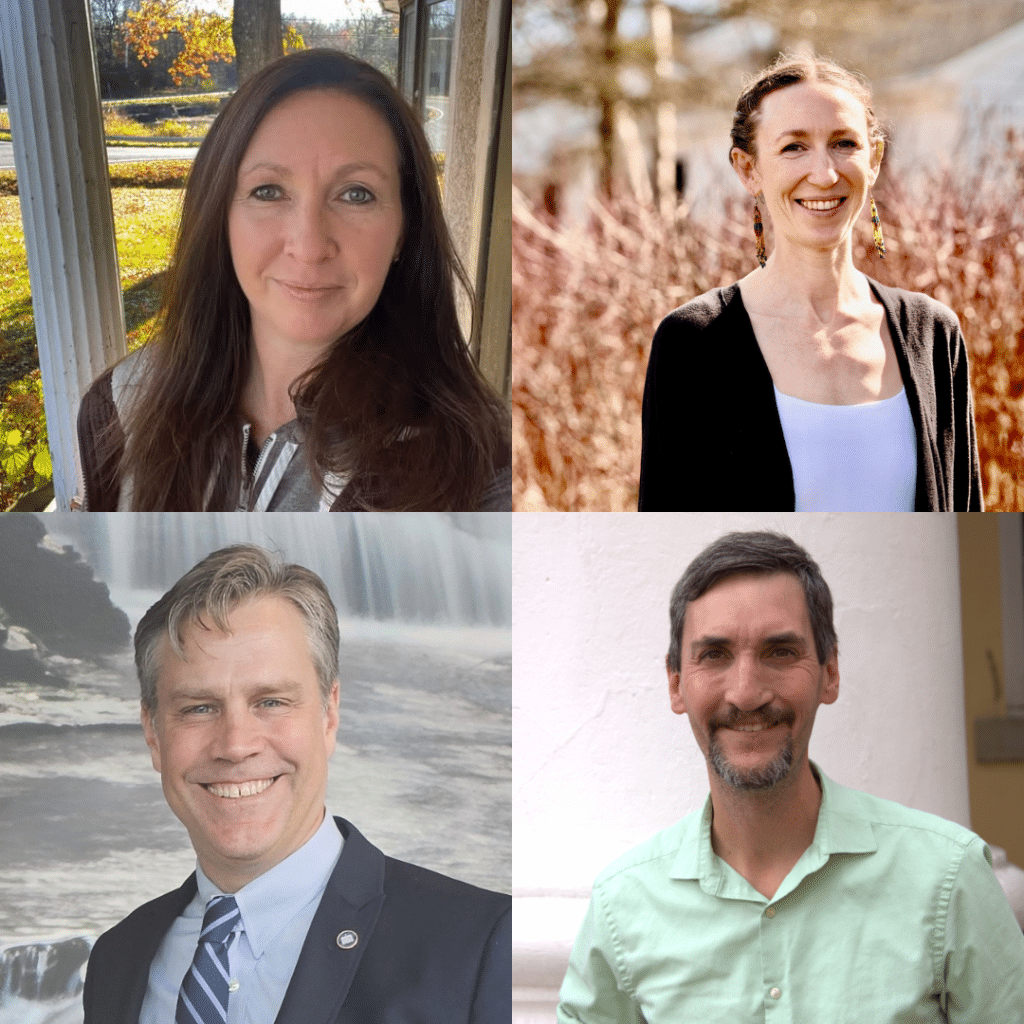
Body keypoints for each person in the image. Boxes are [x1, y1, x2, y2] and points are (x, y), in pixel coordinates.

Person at [557, 531, 1024, 1022]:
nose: (746, 693)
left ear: (830, 671)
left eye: (779, 652)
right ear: (676, 683)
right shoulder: (622, 906)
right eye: (714, 654)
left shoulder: (948, 879)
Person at [83, 544, 509, 1023]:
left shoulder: (481, 945)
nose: (236, 744)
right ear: (153, 733)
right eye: (198, 708)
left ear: (329, 714)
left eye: (271, 702)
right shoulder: (117, 959)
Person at [77, 48, 511, 511]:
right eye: (268, 191)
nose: (308, 245)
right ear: (220, 216)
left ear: (405, 230)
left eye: (356, 194)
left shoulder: (482, 471)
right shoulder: (120, 407)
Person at [638, 55, 982, 511]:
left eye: (844, 144)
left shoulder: (934, 335)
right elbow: (673, 547)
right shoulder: (693, 344)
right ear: (748, 169)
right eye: (793, 147)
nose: (824, 174)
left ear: (874, 159)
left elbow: (966, 527)